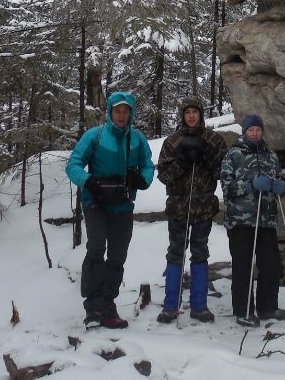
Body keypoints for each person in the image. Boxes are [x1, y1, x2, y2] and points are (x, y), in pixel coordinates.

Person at [66, 90, 154, 328]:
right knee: (95, 248)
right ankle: (92, 307)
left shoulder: (137, 139)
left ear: (131, 113)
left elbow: (148, 165)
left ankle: (107, 305)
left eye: (126, 111)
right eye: (118, 111)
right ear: (110, 112)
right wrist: (89, 181)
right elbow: (73, 164)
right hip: (95, 202)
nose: (122, 115)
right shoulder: (95, 136)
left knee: (117, 256)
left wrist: (142, 179)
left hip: (123, 204)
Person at [155, 95, 229, 323]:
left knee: (200, 253)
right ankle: (170, 305)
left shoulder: (214, 140)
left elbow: (223, 173)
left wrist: (206, 157)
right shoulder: (173, 141)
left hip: (204, 206)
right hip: (178, 206)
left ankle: (199, 306)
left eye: (194, 112)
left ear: (200, 114)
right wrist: (182, 162)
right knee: (176, 253)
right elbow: (163, 176)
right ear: (182, 115)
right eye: (187, 112)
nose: (191, 116)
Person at [219, 113, 285, 327]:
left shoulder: (271, 156)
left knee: (270, 264)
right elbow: (227, 188)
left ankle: (267, 307)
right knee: (243, 266)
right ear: (244, 132)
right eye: (251, 130)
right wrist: (249, 186)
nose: (255, 133)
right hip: (241, 221)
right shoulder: (233, 156)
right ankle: (243, 310)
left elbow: (281, 178)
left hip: (266, 220)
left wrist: (281, 187)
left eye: (258, 130)